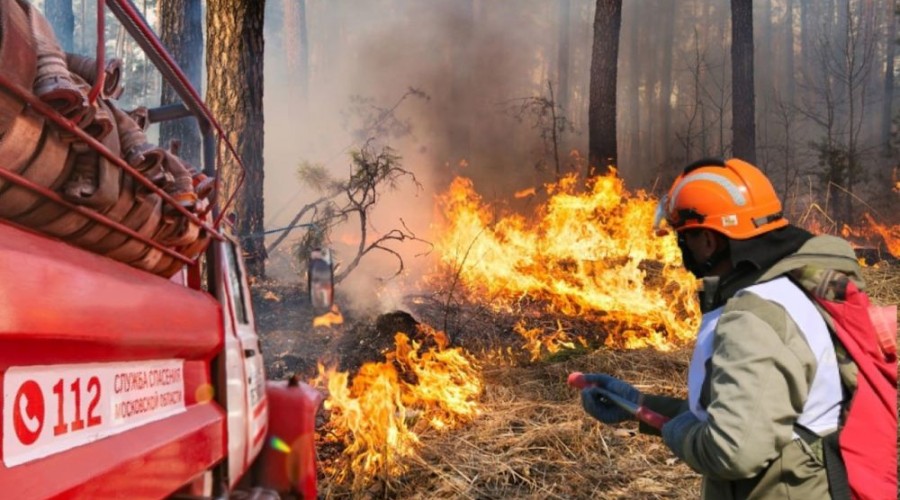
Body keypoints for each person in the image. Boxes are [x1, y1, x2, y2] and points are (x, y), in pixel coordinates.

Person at [578, 157, 864, 499]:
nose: (681, 248)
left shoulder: (757, 318)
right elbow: (754, 413)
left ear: (709, 241)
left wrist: (678, 434)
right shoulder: (792, 288)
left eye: (683, 237)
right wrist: (640, 405)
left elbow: (733, 450)